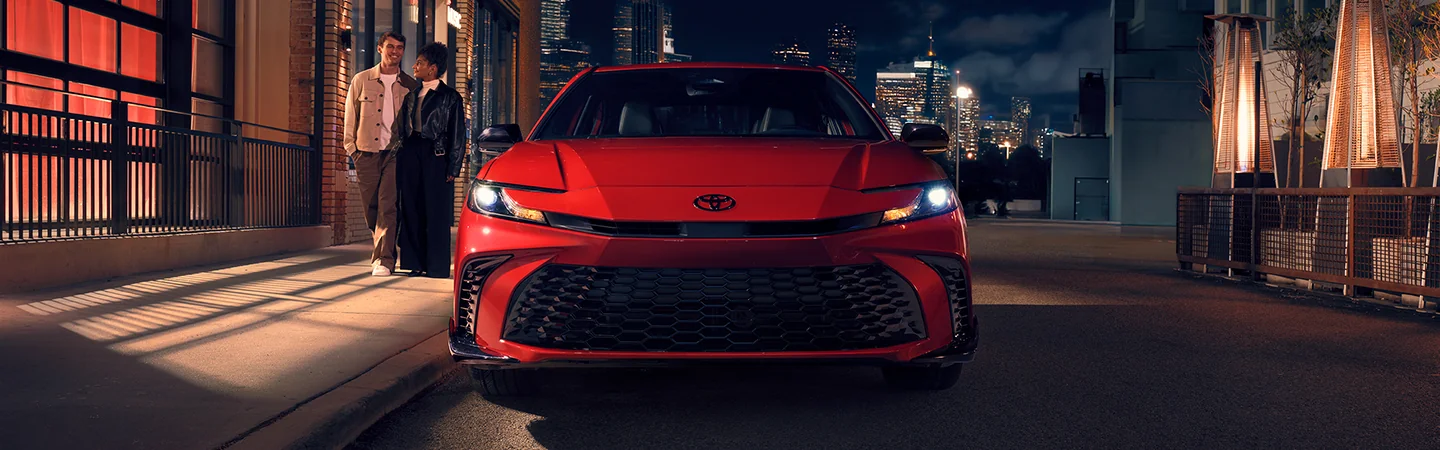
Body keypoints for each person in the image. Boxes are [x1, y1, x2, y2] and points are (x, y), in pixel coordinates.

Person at [386, 42, 465, 278]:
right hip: (411, 153)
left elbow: (458, 133)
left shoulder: (450, 97)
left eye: (419, 62)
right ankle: (415, 262)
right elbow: (401, 128)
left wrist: (454, 165)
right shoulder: (412, 95)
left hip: (436, 155)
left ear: (432, 68)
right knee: (411, 206)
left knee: (436, 211)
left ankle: (437, 267)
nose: (414, 66)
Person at [343, 31, 418, 277]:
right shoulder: (361, 80)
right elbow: (350, 116)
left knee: (388, 206)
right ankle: (381, 248)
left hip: (395, 153)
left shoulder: (409, 85)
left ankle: (385, 260)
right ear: (379, 48)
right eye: (390, 47)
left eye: (399, 47)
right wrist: (352, 149)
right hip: (365, 152)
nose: (395, 51)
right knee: (371, 207)